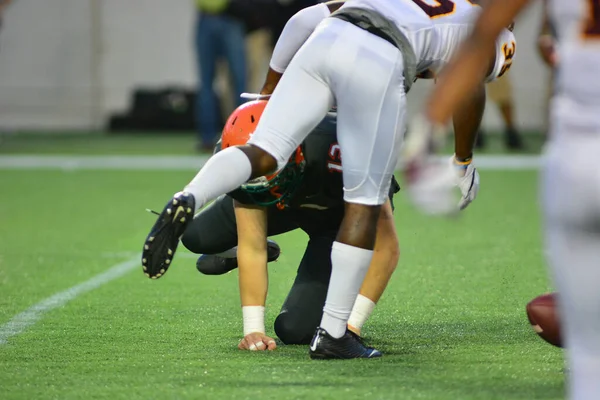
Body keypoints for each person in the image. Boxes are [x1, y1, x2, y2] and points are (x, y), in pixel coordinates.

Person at [143, 0, 514, 359]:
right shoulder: (484, 25)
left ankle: (190, 194)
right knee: (364, 203)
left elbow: (303, 20)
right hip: (379, 61)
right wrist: (462, 160)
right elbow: (468, 86)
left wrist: (269, 93)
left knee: (265, 150)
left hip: (327, 40)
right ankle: (335, 335)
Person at [404, 0, 600, 398]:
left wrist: (427, 134)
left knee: (587, 354)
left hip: (576, 155)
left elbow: (481, 34)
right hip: (575, 152)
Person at [181, 100, 401, 351]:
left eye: (262, 171)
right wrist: (253, 330)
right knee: (194, 235)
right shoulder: (238, 153)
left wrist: (351, 326)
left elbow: (386, 249)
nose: (256, 179)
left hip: (336, 222)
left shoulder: (349, 151)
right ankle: (254, 247)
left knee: (296, 330)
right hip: (284, 200)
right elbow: (252, 248)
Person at [194, 0, 247, 152]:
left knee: (238, 82)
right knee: (207, 84)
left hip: (230, 16)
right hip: (208, 16)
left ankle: (241, 134)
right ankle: (207, 137)